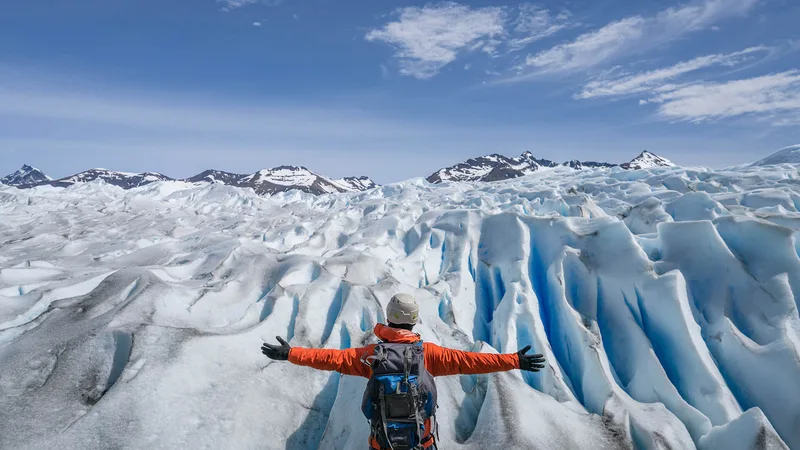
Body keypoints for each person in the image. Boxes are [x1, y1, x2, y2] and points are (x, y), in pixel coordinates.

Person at [261, 293, 546, 450]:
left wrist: (291, 353)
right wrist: (513, 361)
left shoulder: (371, 356)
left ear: (388, 318)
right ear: (414, 321)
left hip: (381, 442)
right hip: (421, 441)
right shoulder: (429, 354)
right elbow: (471, 362)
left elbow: (331, 359)